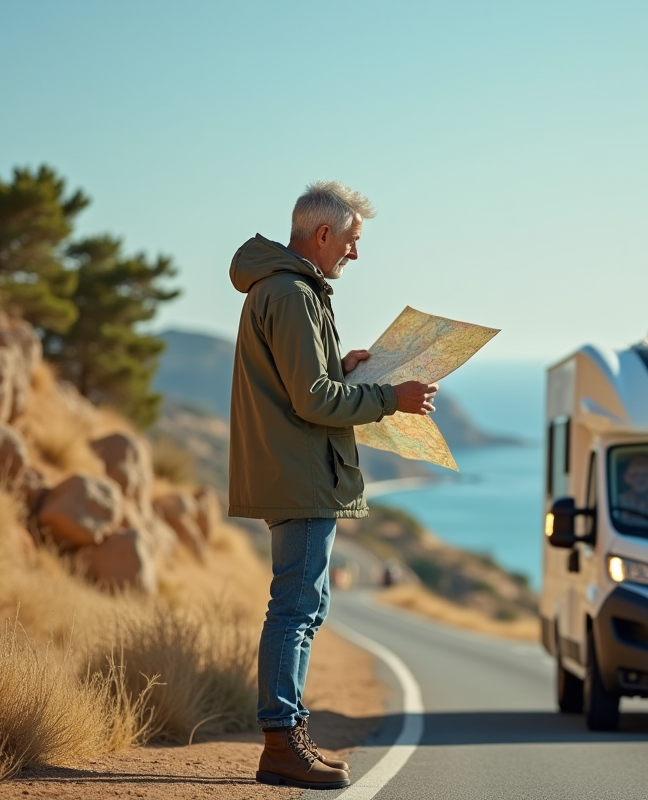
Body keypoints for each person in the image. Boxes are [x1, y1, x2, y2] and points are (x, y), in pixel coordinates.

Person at [228, 181, 438, 790]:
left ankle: (288, 738)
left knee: (303, 607)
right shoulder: (292, 293)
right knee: (295, 609)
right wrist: (389, 399)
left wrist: (342, 368)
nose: (354, 254)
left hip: (298, 472)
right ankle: (281, 744)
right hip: (299, 476)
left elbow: (310, 382)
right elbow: (313, 399)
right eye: (352, 241)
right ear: (324, 234)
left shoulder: (285, 289)